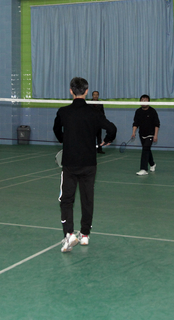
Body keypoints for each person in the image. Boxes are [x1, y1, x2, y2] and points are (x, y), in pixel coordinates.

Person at [53, 77, 117, 252]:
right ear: (87, 91)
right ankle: (85, 235)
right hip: (89, 164)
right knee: (87, 199)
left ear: (71, 91)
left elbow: (56, 129)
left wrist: (64, 140)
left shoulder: (63, 112)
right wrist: (107, 140)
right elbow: (112, 129)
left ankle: (69, 234)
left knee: (67, 199)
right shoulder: (94, 112)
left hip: (70, 163)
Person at [132, 95, 160, 175]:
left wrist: (155, 135)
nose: (143, 102)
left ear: (149, 101)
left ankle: (143, 169)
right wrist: (133, 132)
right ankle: (152, 164)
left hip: (150, 134)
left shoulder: (152, 111)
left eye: (145, 100)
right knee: (147, 149)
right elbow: (135, 123)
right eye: (142, 100)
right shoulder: (138, 111)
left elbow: (157, 124)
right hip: (142, 134)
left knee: (145, 149)